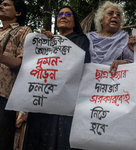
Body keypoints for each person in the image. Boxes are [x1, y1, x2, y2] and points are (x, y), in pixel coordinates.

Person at [22, 6, 90, 150]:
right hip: (42, 100)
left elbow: (79, 67)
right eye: (60, 14)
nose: (63, 16)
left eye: (68, 14)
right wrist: (41, 42)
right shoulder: (46, 40)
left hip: (63, 102)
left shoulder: (80, 40)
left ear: (75, 22)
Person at [0, 0, 32, 149]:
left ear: (18, 12)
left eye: (6, 4)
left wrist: (1, 57)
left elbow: (22, 63)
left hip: (5, 95)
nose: (1, 6)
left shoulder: (24, 31)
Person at [86, 1, 136, 74]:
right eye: (110, 13)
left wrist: (124, 63)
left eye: (118, 14)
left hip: (115, 82)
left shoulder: (125, 39)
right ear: (101, 20)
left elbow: (134, 64)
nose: (115, 16)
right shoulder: (88, 38)